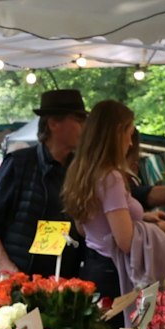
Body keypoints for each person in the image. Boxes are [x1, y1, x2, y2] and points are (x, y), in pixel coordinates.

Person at [0, 89, 86, 277]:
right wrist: (4, 265)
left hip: (61, 283)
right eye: (79, 120)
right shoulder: (19, 163)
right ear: (53, 123)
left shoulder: (80, 169)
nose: (85, 127)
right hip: (14, 280)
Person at [61, 99, 140, 299]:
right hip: (114, 274)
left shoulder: (79, 171)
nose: (131, 143)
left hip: (92, 267)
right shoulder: (110, 177)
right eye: (129, 134)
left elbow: (82, 228)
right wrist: (156, 230)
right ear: (117, 132)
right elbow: (125, 241)